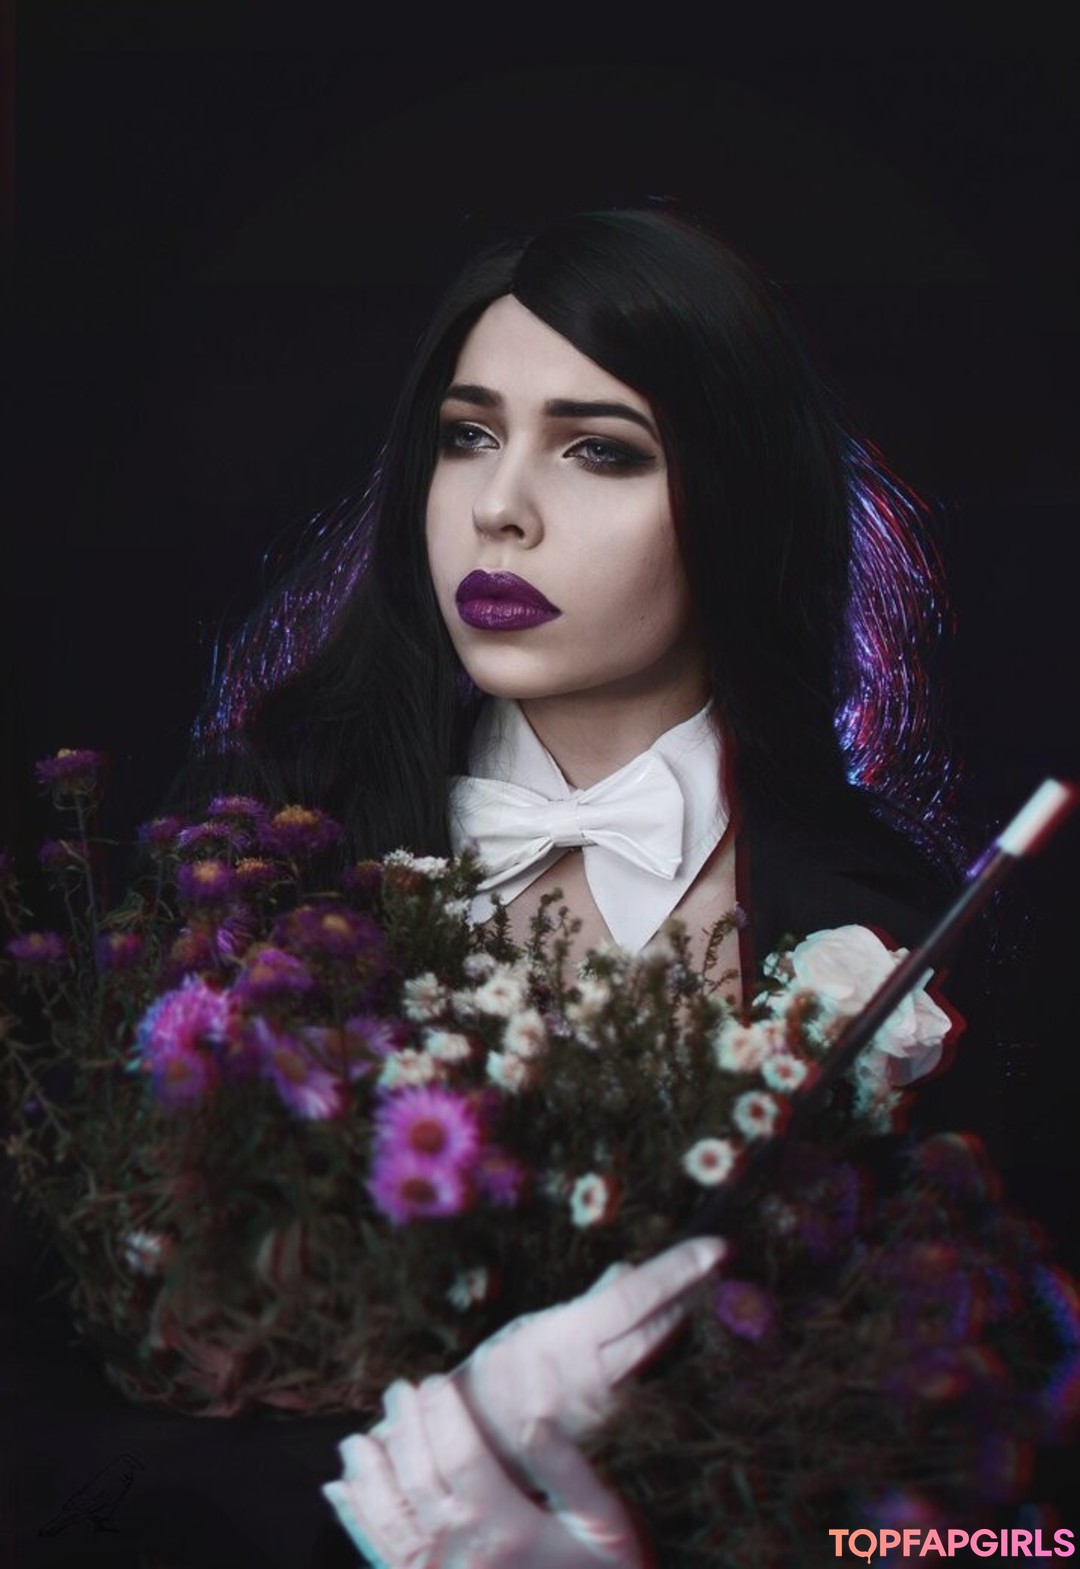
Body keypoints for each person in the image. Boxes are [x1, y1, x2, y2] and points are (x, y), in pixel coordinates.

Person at [172, 206, 961, 1565]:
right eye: (468, 434)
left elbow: (969, 1477)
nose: (500, 506)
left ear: (738, 495)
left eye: (600, 449)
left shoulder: (894, 923)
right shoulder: (263, 842)